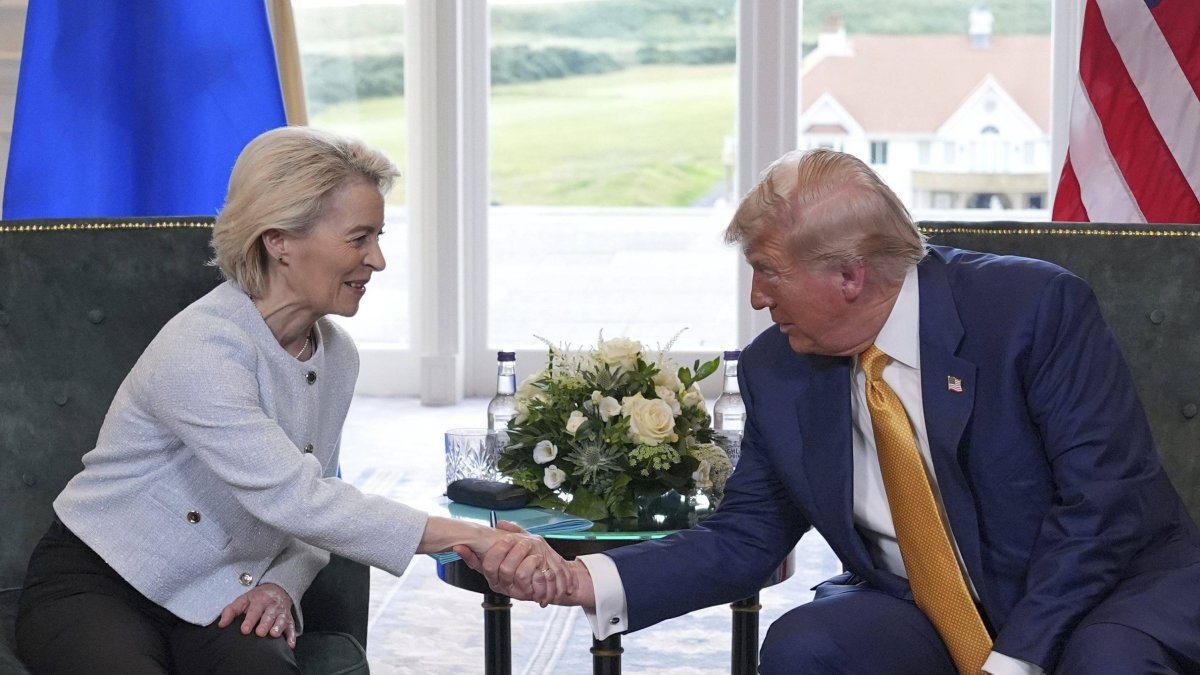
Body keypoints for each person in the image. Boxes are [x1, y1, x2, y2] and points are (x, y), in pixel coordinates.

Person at [464, 149, 1200, 674]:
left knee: (1110, 662)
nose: (757, 297)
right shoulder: (778, 366)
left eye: (768, 271)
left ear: (850, 274)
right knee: (808, 645)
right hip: (925, 606)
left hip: (1101, 592)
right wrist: (580, 579)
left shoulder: (1032, 309)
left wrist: (1017, 659)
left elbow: (1102, 509)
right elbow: (747, 536)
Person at [15, 126, 570, 675]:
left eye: (377, 237)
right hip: (99, 582)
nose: (377, 260)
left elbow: (315, 496)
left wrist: (281, 585)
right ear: (278, 239)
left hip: (223, 588)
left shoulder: (337, 355)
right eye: (359, 238)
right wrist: (473, 536)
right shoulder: (202, 347)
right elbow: (295, 498)